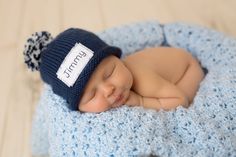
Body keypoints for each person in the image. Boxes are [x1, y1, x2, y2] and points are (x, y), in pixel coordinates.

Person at [23, 28, 205, 113]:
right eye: (92, 95)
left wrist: (141, 101)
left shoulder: (143, 79)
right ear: (78, 107)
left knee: (179, 109)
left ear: (117, 59)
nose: (108, 89)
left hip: (187, 69)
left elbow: (180, 100)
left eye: (109, 73)